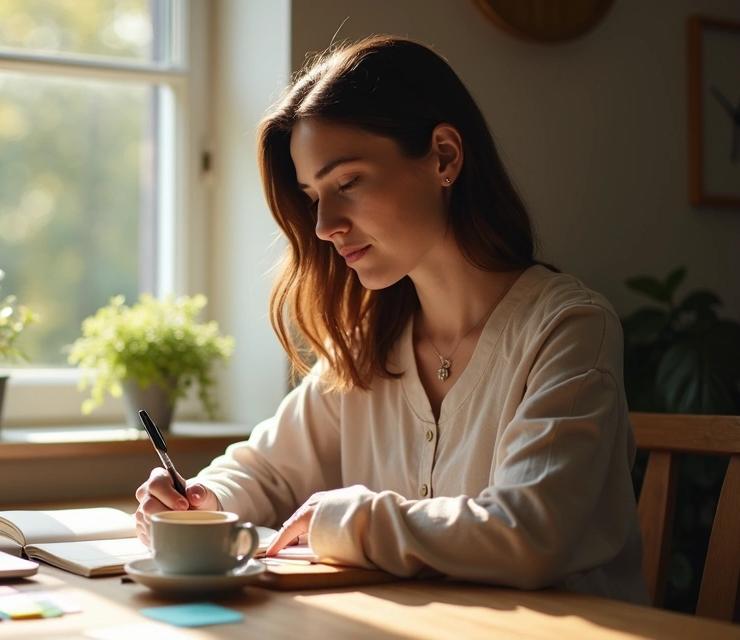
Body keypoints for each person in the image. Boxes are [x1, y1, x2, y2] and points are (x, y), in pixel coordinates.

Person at [134, 35, 648, 604]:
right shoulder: (366, 350)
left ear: (444, 157)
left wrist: (351, 522)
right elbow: (266, 472)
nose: (325, 224)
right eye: (312, 196)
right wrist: (204, 500)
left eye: (348, 182)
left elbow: (531, 532)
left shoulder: (569, 330)